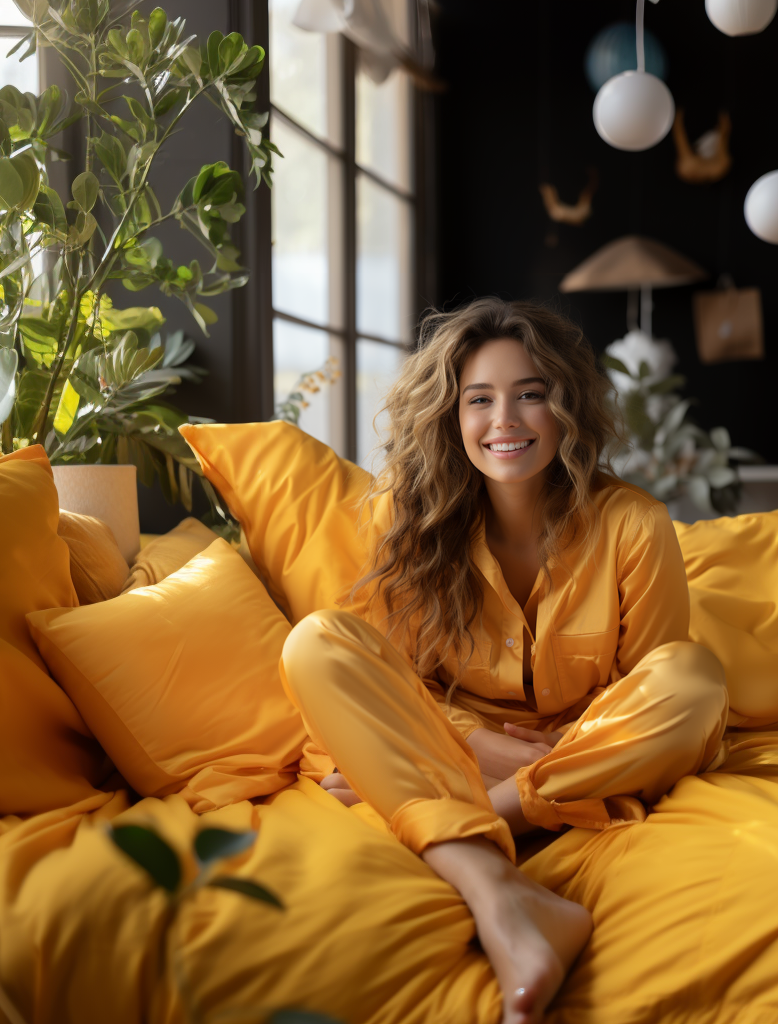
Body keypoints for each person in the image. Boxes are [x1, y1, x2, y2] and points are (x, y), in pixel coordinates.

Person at [280, 298, 729, 1024]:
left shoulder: (635, 525)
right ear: (450, 418)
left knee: (695, 681)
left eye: (531, 395)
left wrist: (487, 777)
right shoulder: (404, 521)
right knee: (315, 644)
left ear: (567, 407)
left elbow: (649, 687)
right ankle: (497, 889)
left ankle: (487, 821)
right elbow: (398, 683)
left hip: (582, 746)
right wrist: (476, 740)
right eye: (479, 400)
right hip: (479, 748)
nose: (506, 422)